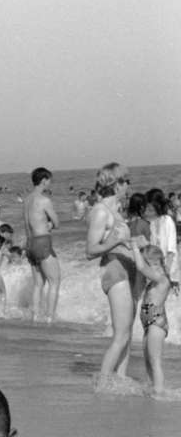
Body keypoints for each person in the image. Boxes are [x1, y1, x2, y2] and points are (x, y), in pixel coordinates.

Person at [86, 163, 135, 382]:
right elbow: (90, 250)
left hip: (127, 269)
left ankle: (121, 378)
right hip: (114, 271)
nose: (128, 185)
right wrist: (115, 241)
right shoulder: (100, 211)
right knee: (121, 334)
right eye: (125, 181)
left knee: (128, 333)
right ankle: (104, 381)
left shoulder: (115, 211)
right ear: (115, 184)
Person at [132, 243, 176, 396]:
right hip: (148, 323)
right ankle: (152, 387)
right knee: (148, 361)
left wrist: (134, 246)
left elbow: (141, 267)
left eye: (147, 263)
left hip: (157, 322)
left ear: (154, 263)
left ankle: (159, 391)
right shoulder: (153, 281)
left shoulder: (162, 279)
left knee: (155, 360)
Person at [23, 168, 62, 323]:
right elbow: (57, 223)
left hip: (30, 243)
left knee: (38, 284)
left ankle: (35, 315)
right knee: (55, 281)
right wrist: (50, 225)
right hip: (42, 241)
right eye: (49, 180)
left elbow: (28, 223)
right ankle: (49, 318)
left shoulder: (26, 200)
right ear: (44, 180)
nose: (49, 183)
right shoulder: (44, 200)